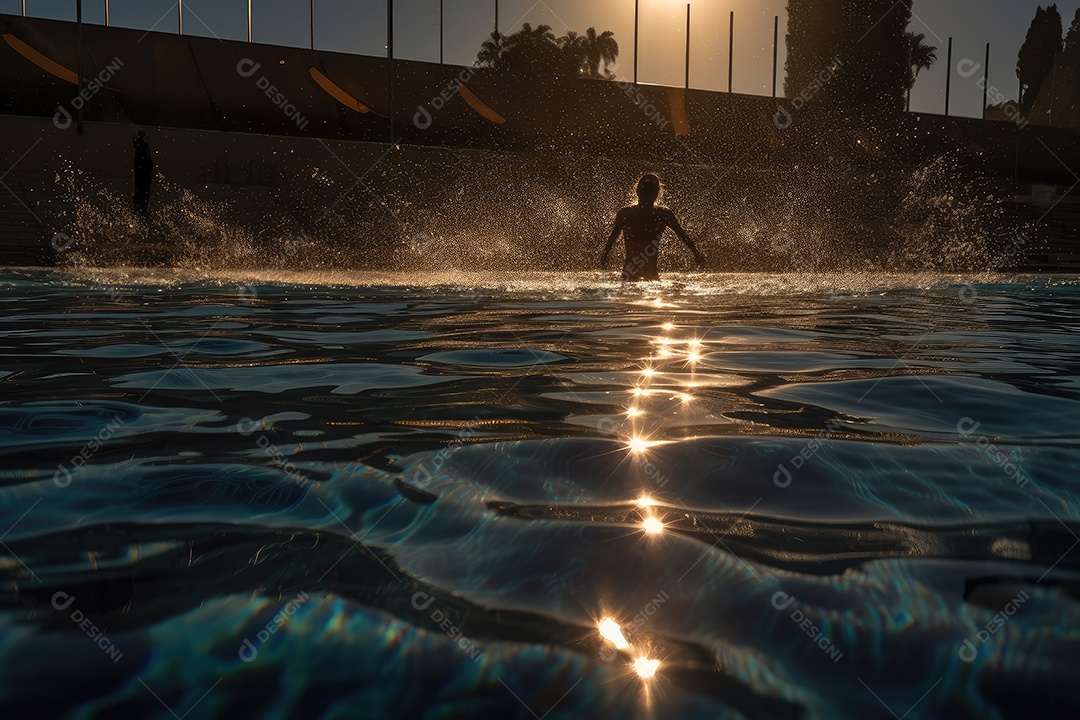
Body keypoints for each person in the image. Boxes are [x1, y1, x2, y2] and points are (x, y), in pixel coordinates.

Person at [601, 174, 704, 281]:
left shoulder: (627, 213)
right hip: (649, 275)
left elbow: (612, 239)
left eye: (650, 191)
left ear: (637, 191)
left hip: (630, 275)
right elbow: (683, 237)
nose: (647, 194)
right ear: (658, 193)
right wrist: (697, 254)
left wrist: (605, 257)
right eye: (647, 190)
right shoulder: (662, 214)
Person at [132, 130, 154, 215]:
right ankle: (141, 206)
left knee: (139, 188)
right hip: (144, 171)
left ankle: (138, 205)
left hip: (141, 170)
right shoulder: (144, 146)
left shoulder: (138, 145)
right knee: (143, 189)